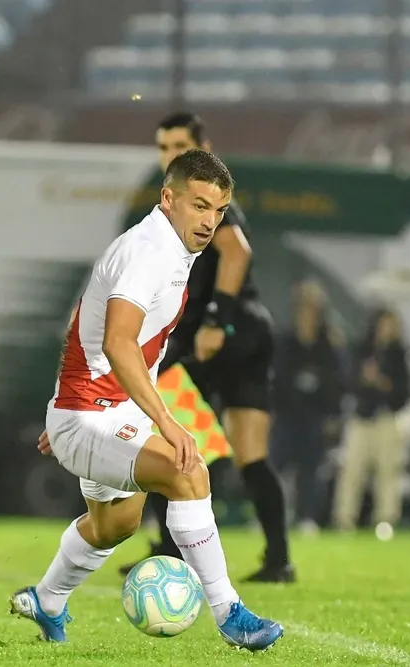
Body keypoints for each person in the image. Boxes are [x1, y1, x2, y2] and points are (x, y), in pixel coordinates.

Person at [13, 149, 283, 650]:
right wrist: (166, 422)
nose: (209, 221)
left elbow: (89, 323)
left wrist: (66, 401)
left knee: (115, 525)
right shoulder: (149, 252)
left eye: (219, 211)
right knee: (188, 470)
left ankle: (47, 601)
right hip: (91, 416)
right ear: (168, 197)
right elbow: (117, 341)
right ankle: (230, 615)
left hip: (100, 411)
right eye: (200, 205)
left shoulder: (174, 249)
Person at [113, 112, 293, 582]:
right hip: (250, 332)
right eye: (163, 145)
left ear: (200, 148)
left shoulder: (200, 195)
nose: (169, 152)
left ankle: (170, 555)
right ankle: (279, 561)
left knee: (167, 437)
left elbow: (237, 252)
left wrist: (216, 319)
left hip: (224, 334)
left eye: (178, 144)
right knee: (249, 453)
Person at [270, 280, 346, 532]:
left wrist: (333, 415)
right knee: (275, 469)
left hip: (315, 417)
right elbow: (275, 378)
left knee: (310, 472)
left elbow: (337, 383)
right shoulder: (285, 342)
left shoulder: (329, 345)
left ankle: (307, 518)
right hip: (286, 415)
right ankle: (269, 517)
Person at [333, 308, 410, 532]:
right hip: (362, 416)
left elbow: (404, 390)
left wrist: (384, 384)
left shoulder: (399, 354)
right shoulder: (362, 350)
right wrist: (364, 379)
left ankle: (386, 519)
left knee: (388, 471)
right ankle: (344, 518)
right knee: (351, 469)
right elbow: (348, 381)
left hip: (388, 417)